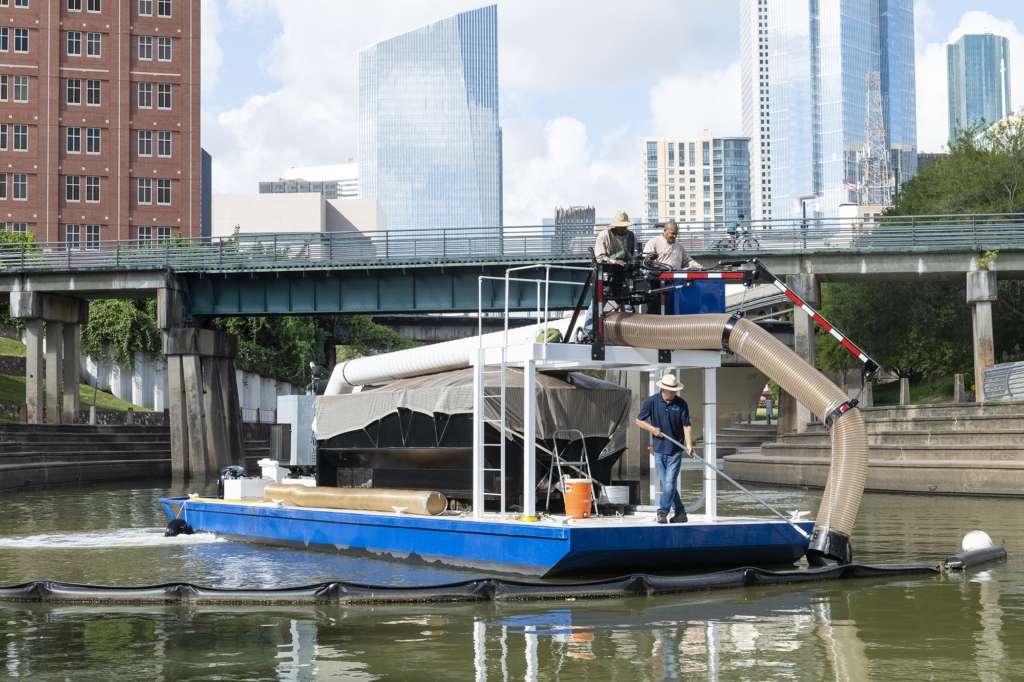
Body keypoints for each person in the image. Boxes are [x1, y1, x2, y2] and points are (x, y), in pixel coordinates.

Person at [635, 373, 694, 524]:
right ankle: (680, 513)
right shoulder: (651, 401)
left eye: (675, 390)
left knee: (669, 483)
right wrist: (652, 429)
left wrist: (689, 445)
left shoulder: (681, 404)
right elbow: (639, 421)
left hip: (675, 450)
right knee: (669, 485)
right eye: (671, 391)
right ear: (663, 389)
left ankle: (662, 512)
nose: (674, 393)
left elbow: (686, 426)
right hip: (659, 450)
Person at [581, 210, 638, 339]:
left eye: (625, 226)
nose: (622, 228)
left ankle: (628, 333)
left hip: (623, 277)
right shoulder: (604, 235)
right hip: (607, 276)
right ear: (615, 225)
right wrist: (614, 262)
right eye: (620, 226)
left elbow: (636, 254)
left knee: (627, 304)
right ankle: (587, 333)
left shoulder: (632, 236)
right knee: (596, 304)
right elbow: (600, 256)